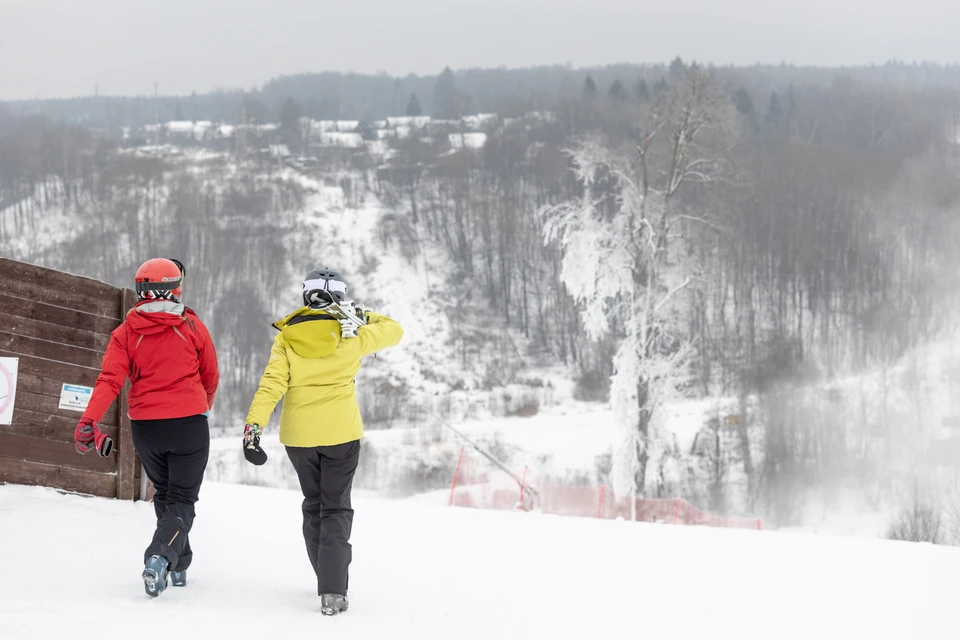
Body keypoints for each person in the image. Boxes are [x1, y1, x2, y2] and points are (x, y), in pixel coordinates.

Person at [243, 267, 403, 616]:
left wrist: (253, 430)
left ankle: (325, 575)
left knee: (313, 504)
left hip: (300, 439)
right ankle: (333, 587)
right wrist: (361, 315)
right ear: (341, 297)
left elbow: (271, 386)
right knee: (336, 507)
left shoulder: (287, 338)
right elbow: (394, 329)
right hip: (341, 435)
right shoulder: (353, 336)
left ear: (306, 296)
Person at [74, 258, 218, 597]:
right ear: (174, 289)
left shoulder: (125, 333)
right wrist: (200, 408)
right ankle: (159, 556)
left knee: (165, 494)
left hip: (146, 429)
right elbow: (210, 375)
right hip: (189, 425)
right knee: (182, 498)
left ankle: (178, 566)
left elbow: (110, 380)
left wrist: (88, 419)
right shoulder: (192, 326)